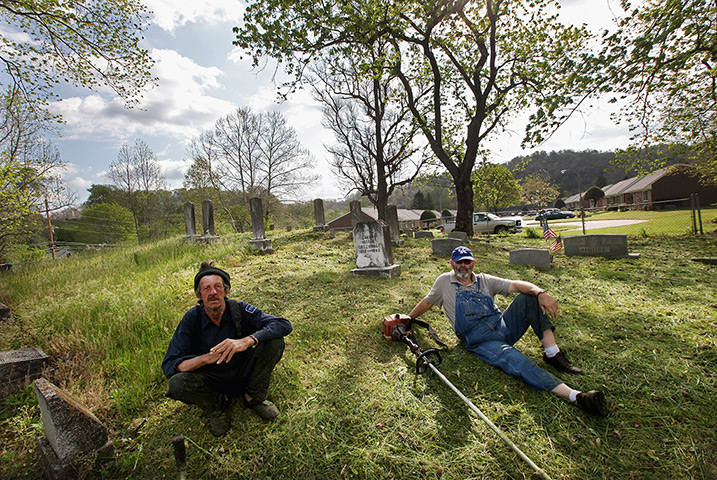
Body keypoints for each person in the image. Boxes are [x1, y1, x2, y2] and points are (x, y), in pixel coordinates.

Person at [407, 246, 608, 416]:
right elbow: (427, 302)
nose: (463, 266)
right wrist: (408, 319)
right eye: (459, 263)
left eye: (467, 262)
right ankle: (577, 396)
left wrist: (541, 292)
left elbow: (516, 284)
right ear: (451, 264)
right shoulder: (444, 282)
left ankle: (553, 354)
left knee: (528, 297)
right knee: (517, 361)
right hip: (481, 341)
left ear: (473, 264)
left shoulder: (484, 280)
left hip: (503, 326)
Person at [162, 261, 292, 436]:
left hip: (243, 369)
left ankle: (253, 396)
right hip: (213, 378)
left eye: (218, 286)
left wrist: (247, 341)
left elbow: (282, 324)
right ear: (199, 295)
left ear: (226, 290)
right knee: (177, 384)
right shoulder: (191, 319)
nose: (213, 292)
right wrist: (204, 359)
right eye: (206, 289)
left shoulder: (239, 309)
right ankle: (217, 406)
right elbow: (170, 365)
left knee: (275, 341)